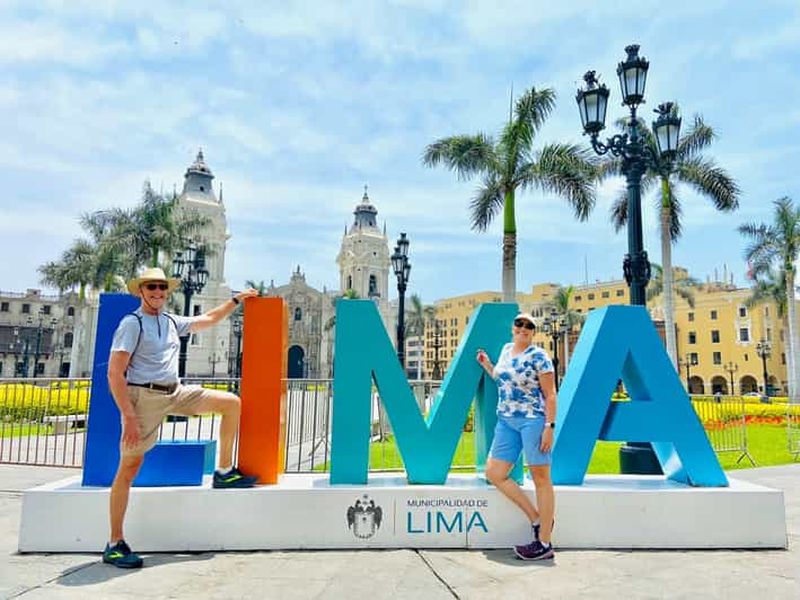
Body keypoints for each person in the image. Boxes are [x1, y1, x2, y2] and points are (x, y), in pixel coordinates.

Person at [102, 267, 259, 569]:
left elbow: (210, 319)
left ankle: (224, 471)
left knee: (230, 403)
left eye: (162, 287)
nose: (157, 292)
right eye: (151, 288)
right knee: (129, 467)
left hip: (174, 392)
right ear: (141, 291)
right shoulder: (132, 324)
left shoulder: (172, 321)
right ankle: (114, 543)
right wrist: (129, 417)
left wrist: (236, 300)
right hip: (144, 399)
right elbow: (114, 372)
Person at [477, 312, 557, 561]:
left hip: (532, 421)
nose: (523, 328)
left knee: (540, 477)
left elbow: (551, 394)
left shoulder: (539, 357)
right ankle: (537, 518)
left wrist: (549, 426)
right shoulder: (505, 350)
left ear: (533, 331)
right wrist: (488, 365)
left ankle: (544, 542)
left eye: (529, 326)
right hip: (506, 421)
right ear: (513, 327)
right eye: (519, 324)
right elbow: (503, 380)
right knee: (494, 473)